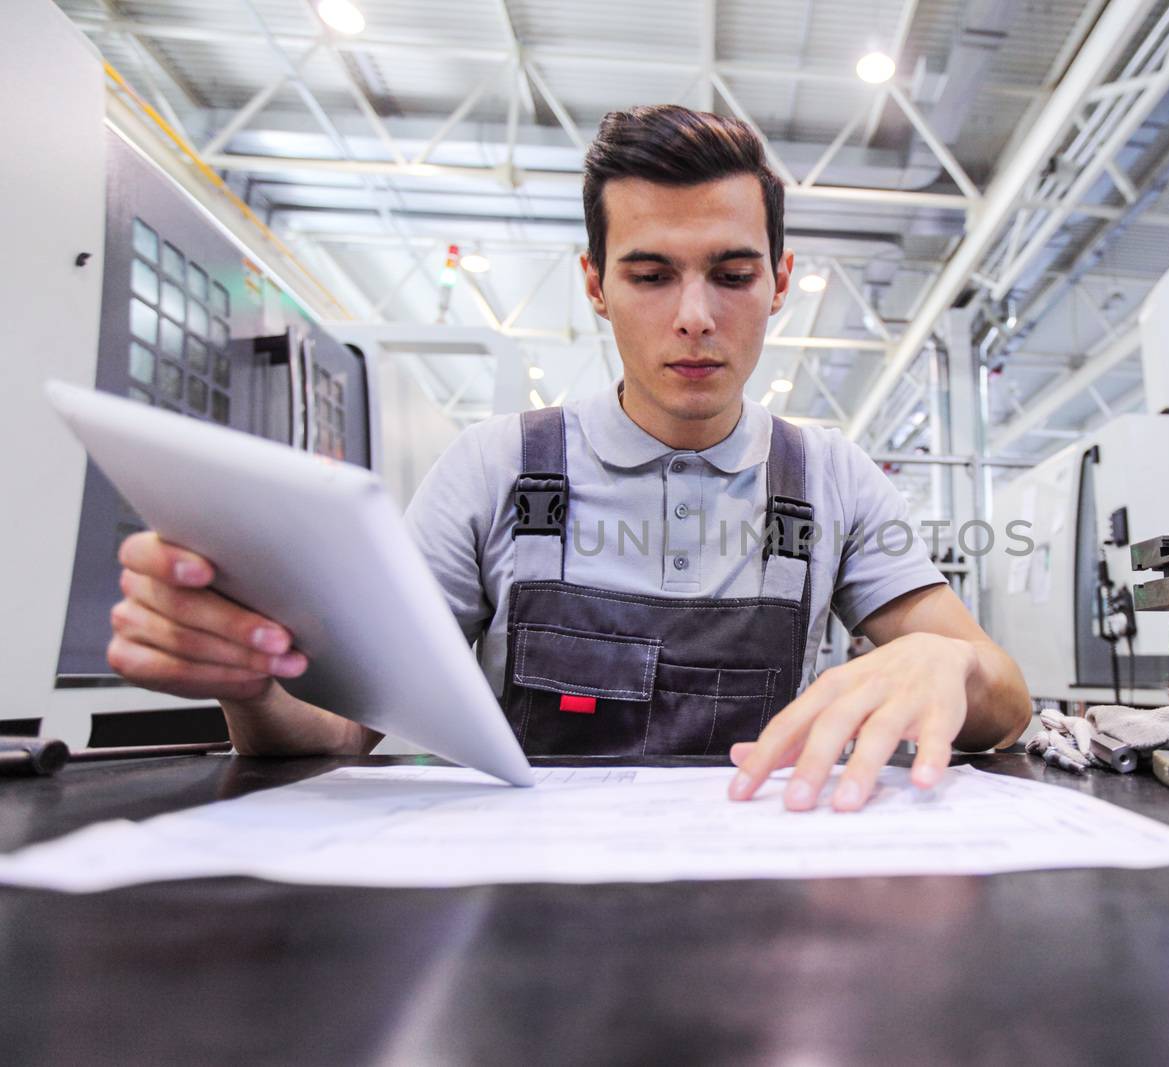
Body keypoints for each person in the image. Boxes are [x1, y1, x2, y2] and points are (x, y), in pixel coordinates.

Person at [107, 104, 1031, 812]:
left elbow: (1007, 702)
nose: (696, 316)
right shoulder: (494, 470)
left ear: (781, 282)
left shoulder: (833, 479)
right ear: (595, 283)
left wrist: (949, 667)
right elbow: (341, 729)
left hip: (760, 902)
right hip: (532, 921)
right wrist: (251, 676)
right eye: (650, 273)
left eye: (734, 273)